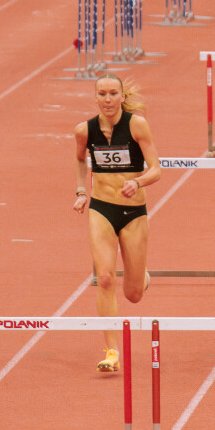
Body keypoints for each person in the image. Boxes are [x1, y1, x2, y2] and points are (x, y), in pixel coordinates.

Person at [73, 74, 161, 373]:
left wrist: (137, 182)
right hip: (101, 208)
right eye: (102, 94)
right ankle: (111, 351)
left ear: (122, 96)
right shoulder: (84, 130)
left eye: (113, 93)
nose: (108, 99)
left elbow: (156, 169)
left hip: (133, 212)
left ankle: (141, 276)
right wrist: (81, 192)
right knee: (106, 278)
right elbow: (80, 160)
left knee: (133, 295)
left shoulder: (137, 125)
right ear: (95, 97)